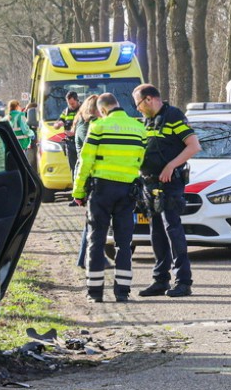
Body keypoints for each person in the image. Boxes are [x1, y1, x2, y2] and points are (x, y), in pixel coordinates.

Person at [71, 93, 145, 302]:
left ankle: (95, 293)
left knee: (96, 240)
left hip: (102, 191)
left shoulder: (99, 127)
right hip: (127, 191)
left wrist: (78, 192)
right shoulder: (139, 128)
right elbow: (141, 159)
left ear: (102, 110)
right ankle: (122, 292)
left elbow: (85, 161)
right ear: (118, 105)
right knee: (124, 242)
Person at [132, 83, 201, 297]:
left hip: (170, 183)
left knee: (173, 229)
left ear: (149, 99)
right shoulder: (149, 120)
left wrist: (171, 165)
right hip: (150, 184)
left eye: (138, 104)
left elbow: (193, 146)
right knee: (157, 233)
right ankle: (160, 280)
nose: (138, 109)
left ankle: (183, 281)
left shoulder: (173, 116)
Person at [55, 91, 82, 173]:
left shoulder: (84, 109)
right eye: (69, 103)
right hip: (70, 143)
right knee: (73, 169)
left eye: (72, 103)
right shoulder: (66, 111)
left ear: (77, 100)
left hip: (82, 142)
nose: (71, 106)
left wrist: (75, 132)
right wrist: (58, 124)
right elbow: (58, 122)